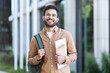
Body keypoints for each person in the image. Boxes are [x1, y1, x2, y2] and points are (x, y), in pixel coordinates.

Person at [28, 5, 77, 73]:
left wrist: (64, 59)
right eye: (48, 15)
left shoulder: (66, 35)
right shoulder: (36, 38)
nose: (50, 17)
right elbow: (30, 60)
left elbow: (74, 55)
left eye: (53, 15)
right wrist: (38, 57)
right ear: (43, 17)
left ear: (57, 19)